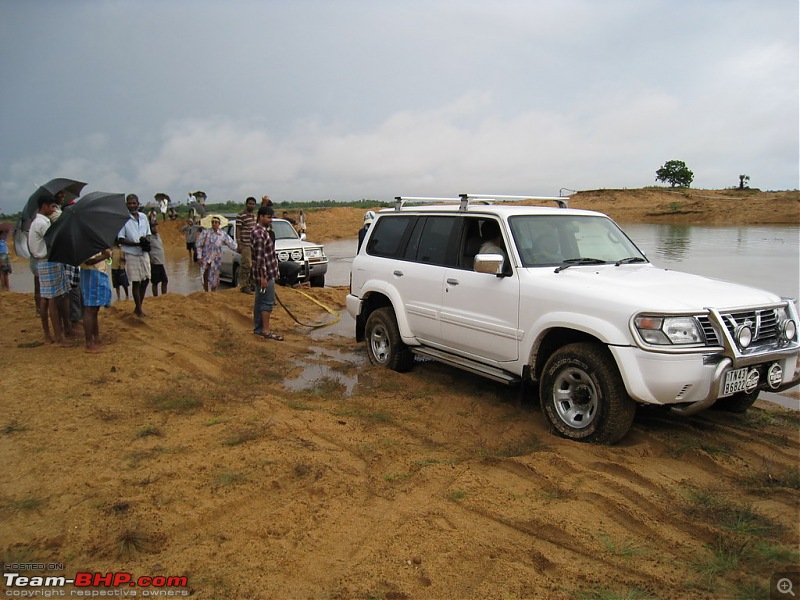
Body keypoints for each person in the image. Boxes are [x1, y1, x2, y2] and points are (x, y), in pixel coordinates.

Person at [29, 194, 70, 346]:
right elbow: (54, 239)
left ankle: (49, 335)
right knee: (52, 299)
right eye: (52, 206)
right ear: (44, 206)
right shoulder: (42, 223)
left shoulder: (39, 221)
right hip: (48, 261)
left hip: (44, 262)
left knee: (46, 299)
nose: (53, 210)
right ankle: (58, 337)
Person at [251, 206, 283, 341]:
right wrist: (263, 277)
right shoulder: (259, 234)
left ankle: (259, 329)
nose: (270, 220)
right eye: (268, 217)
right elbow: (260, 258)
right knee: (267, 303)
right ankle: (265, 330)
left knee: (260, 301)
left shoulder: (262, 232)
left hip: (266, 273)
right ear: (261, 217)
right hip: (265, 275)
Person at [117, 193, 151, 317]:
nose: (132, 205)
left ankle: (138, 307)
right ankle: (139, 309)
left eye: (134, 203)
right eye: (130, 203)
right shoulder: (123, 219)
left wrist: (145, 241)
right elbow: (120, 239)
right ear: (126, 205)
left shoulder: (143, 217)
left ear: (138, 203)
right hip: (131, 253)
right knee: (136, 281)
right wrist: (136, 244)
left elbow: (148, 232)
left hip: (143, 252)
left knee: (146, 279)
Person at [79, 249, 112, 353]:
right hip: (91, 273)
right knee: (90, 309)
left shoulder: (92, 238)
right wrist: (104, 256)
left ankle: (96, 338)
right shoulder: (85, 240)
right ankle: (89, 343)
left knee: (94, 308)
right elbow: (88, 261)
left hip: (96, 272)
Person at [195, 215, 237, 292]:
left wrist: (240, 249)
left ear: (219, 224)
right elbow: (199, 245)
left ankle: (213, 292)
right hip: (206, 257)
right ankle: (206, 292)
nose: (214, 224)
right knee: (205, 275)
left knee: (214, 277)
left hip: (216, 259)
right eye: (213, 222)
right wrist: (199, 257)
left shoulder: (222, 234)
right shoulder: (205, 233)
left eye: (216, 222)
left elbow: (231, 244)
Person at [235, 197, 257, 294]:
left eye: (253, 204)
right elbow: (238, 229)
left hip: (254, 244)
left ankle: (252, 285)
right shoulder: (241, 215)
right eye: (250, 204)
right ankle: (244, 286)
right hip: (245, 244)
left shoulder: (254, 216)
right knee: (246, 265)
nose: (251, 205)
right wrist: (239, 243)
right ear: (246, 204)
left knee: (254, 265)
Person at [148, 221, 168, 296]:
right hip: (154, 262)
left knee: (165, 280)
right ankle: (155, 297)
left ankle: (164, 295)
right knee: (155, 282)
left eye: (156, 226)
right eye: (154, 227)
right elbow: (147, 250)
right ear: (150, 228)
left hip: (161, 261)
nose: (156, 228)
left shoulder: (158, 236)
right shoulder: (148, 238)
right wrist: (150, 259)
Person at [0, 227, 11, 291]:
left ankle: (5, 286)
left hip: (3, 256)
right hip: (3, 256)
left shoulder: (2, 240)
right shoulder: (3, 240)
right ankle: (5, 287)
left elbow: (7, 233)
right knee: (4, 273)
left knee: (4, 272)